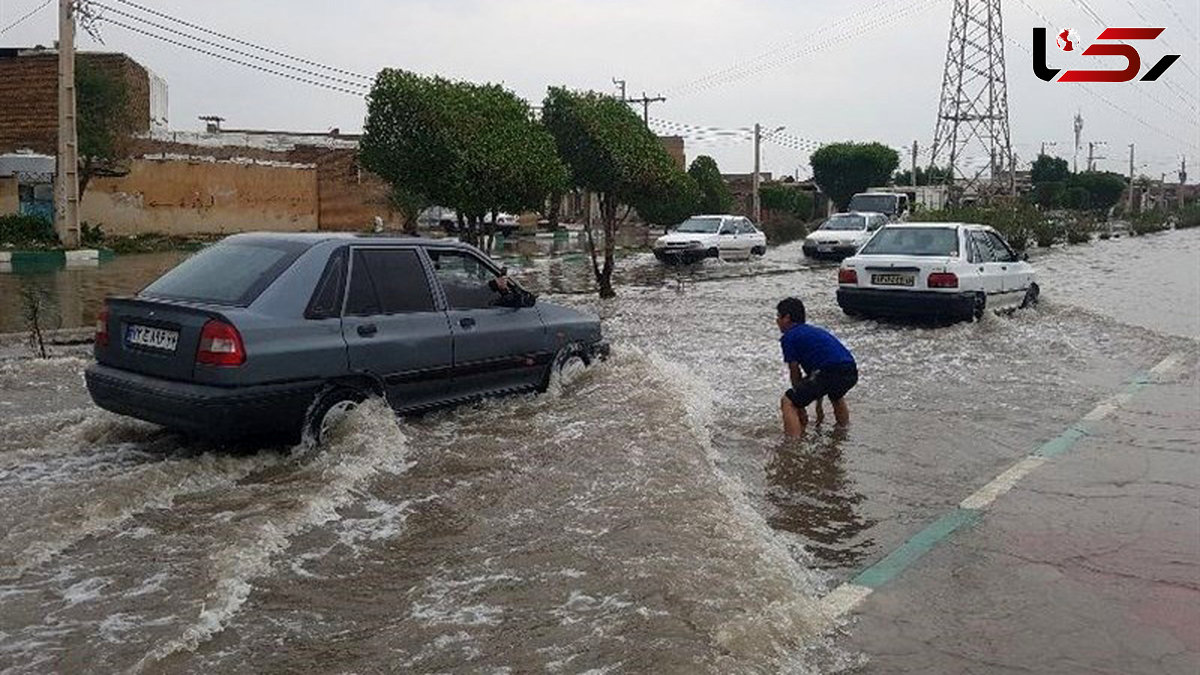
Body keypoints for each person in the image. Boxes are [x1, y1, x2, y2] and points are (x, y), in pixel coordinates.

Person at [776, 297, 858, 437]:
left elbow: (794, 371)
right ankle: (842, 432)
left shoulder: (789, 337)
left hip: (829, 372)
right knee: (836, 396)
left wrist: (799, 403)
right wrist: (818, 408)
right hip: (850, 370)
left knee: (788, 402)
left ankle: (792, 445)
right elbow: (816, 377)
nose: (776, 321)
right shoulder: (813, 331)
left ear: (787, 318)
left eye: (778, 316)